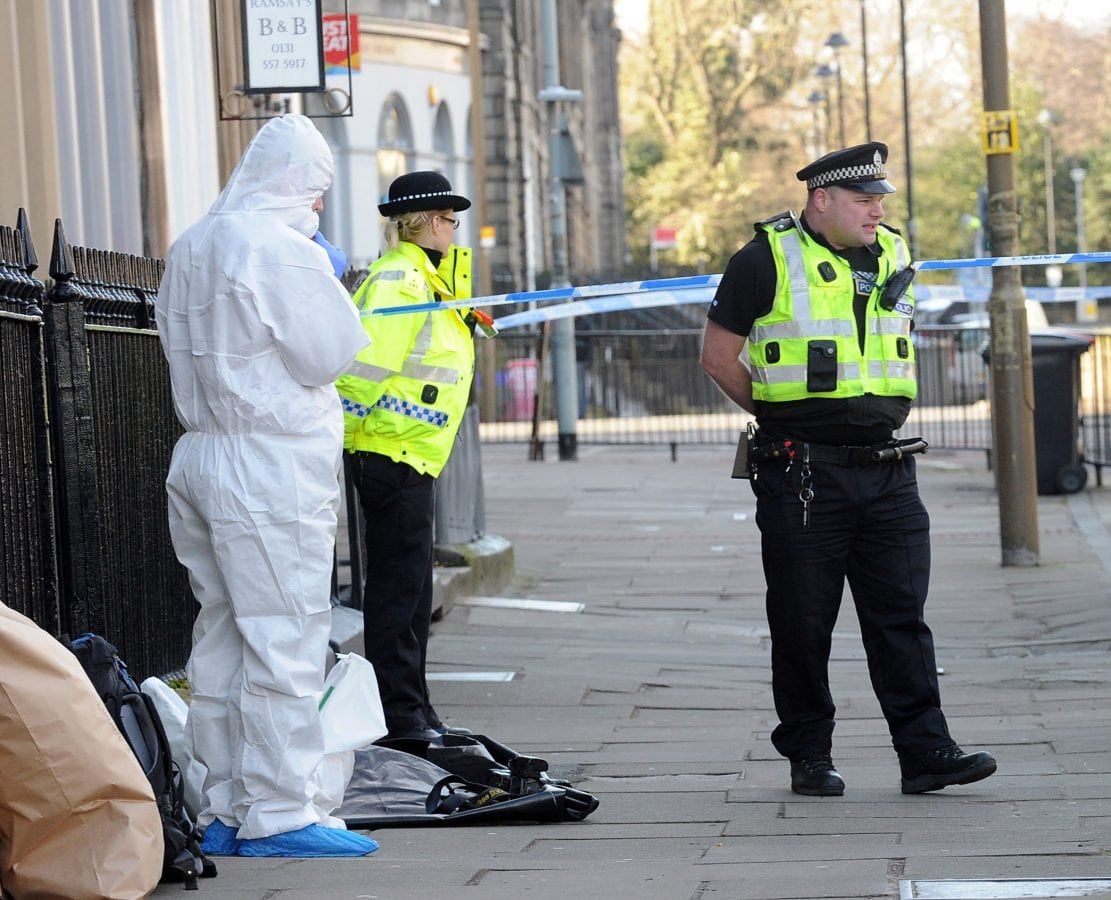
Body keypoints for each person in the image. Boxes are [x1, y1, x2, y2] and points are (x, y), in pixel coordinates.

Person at [700, 142, 997, 797]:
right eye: (864, 200)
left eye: (880, 199)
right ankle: (809, 755)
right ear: (821, 199)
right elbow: (719, 358)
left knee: (901, 618)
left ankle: (925, 754)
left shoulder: (892, 253)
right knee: (803, 623)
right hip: (802, 473)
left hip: (889, 471)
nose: (877, 210)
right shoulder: (763, 259)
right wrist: (780, 414)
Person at [156, 114, 379, 857]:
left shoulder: (191, 245)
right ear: (300, 184)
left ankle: (225, 805)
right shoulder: (278, 249)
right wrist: (327, 272)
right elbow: (329, 354)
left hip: (199, 454)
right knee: (285, 635)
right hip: (269, 463)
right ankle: (283, 813)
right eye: (316, 191)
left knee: (220, 634)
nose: (317, 206)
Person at [336, 171, 478, 743]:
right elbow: (367, 367)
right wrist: (340, 434)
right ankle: (400, 716)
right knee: (399, 591)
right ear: (421, 221)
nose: (452, 227)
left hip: (409, 454)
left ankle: (415, 707)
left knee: (415, 589)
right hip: (389, 452)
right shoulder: (400, 280)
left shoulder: (425, 278)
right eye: (447, 218)